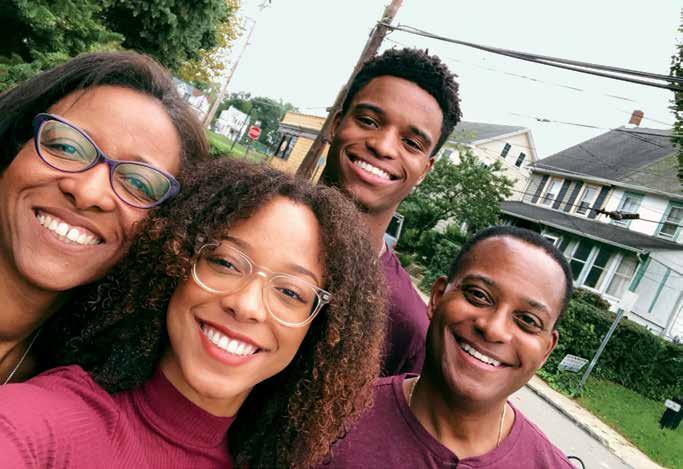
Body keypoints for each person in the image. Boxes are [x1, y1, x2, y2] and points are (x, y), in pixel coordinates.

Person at [0, 160, 387, 469]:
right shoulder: (40, 423)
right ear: (174, 264)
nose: (246, 305)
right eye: (225, 263)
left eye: (290, 292)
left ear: (319, 331)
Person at [0, 51, 207, 384]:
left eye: (139, 183)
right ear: (13, 146)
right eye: (67, 146)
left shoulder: (87, 380)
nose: (88, 193)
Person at [322, 226, 575, 468]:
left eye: (528, 320)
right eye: (479, 295)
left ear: (546, 350)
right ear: (437, 297)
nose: (494, 329)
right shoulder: (328, 421)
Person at [320, 48, 462, 375]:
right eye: (369, 121)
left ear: (425, 169)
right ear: (336, 124)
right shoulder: (241, 227)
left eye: (411, 143)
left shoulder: (406, 328)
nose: (382, 146)